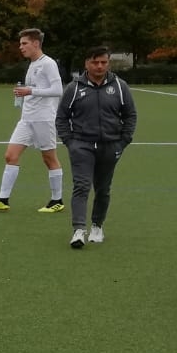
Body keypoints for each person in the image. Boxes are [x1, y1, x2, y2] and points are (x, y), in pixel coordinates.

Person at [56, 47, 137, 249]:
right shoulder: (74, 88)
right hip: (81, 145)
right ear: (86, 64)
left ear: (108, 63)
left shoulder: (119, 86)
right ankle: (78, 230)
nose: (99, 66)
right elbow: (61, 117)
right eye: (95, 62)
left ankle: (97, 226)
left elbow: (130, 115)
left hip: (110, 146)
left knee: (103, 189)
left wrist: (123, 141)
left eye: (103, 62)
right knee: (82, 186)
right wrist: (70, 142)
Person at [0, 28, 65, 212]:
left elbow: (58, 90)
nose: (21, 47)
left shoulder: (48, 63)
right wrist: (23, 93)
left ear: (36, 43)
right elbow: (34, 88)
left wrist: (30, 91)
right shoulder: (32, 64)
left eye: (24, 43)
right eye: (20, 44)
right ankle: (3, 199)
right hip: (27, 119)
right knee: (10, 155)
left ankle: (57, 200)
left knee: (49, 158)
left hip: (43, 119)